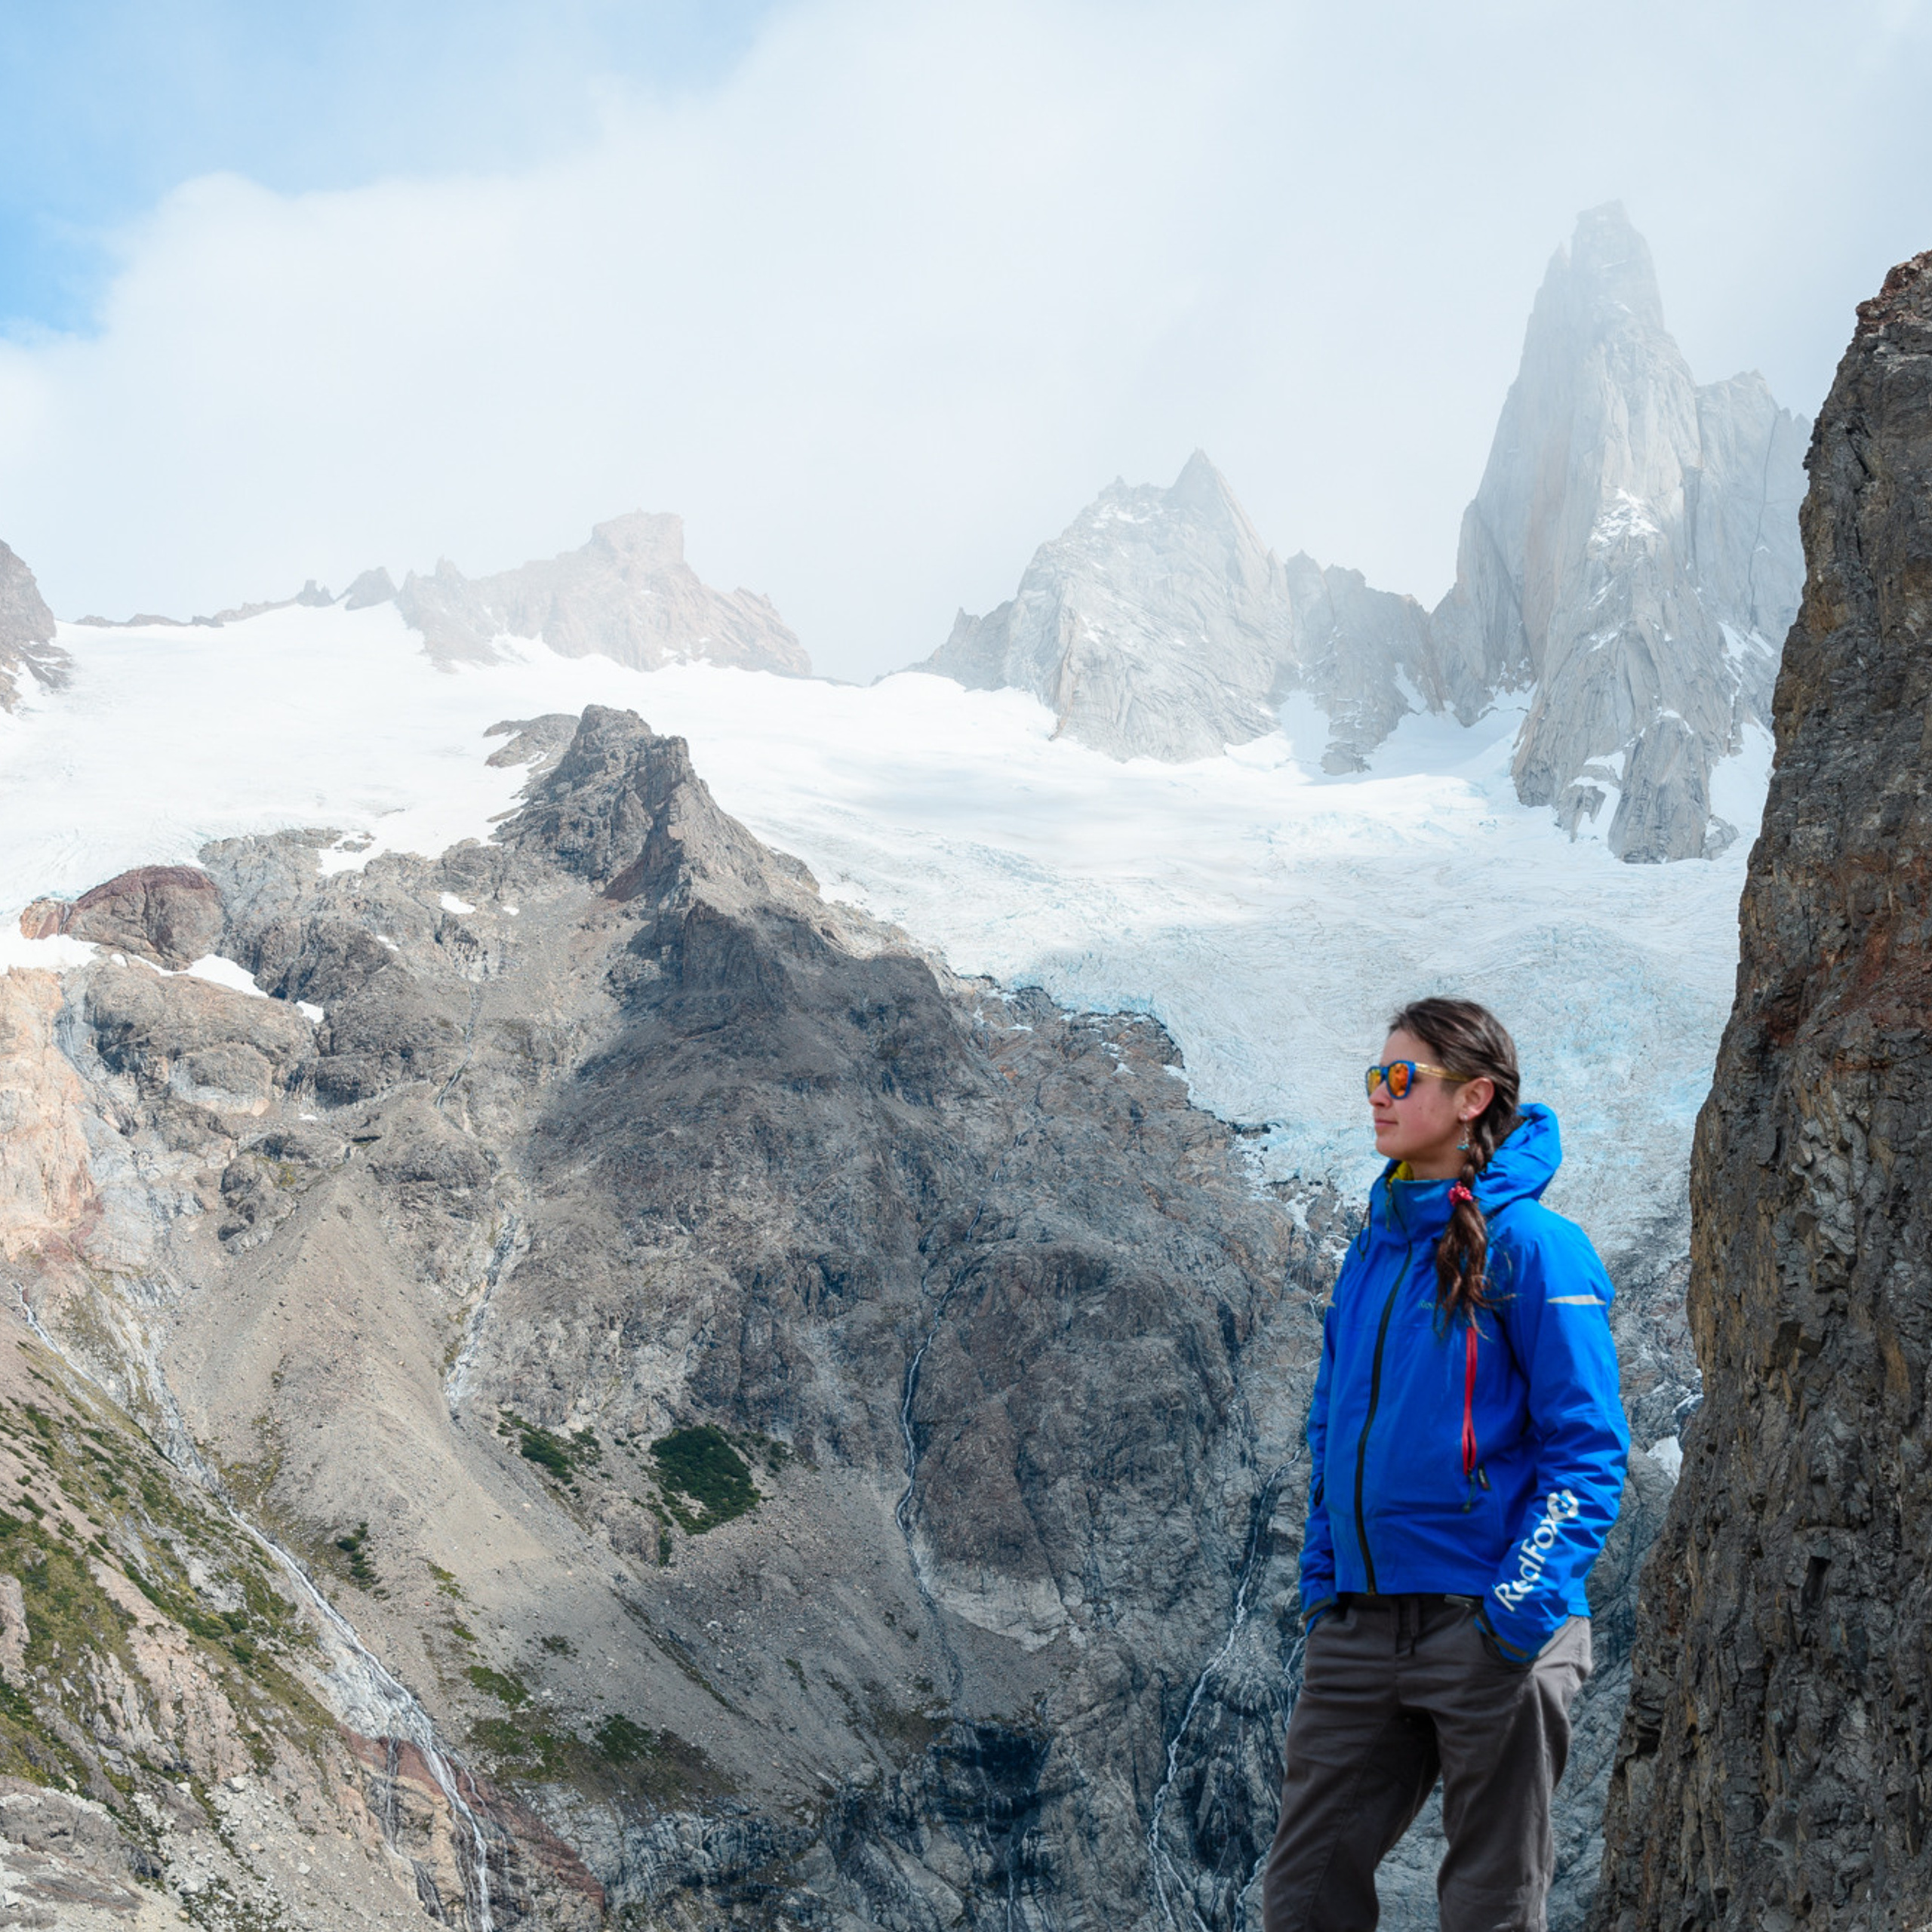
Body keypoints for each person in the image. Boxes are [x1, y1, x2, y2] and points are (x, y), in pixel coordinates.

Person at [1262, 996, 1629, 1932]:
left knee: (1489, 1909)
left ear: (1473, 1097)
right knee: (1301, 1900)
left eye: (1400, 1078)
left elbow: (1588, 1451)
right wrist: (1322, 1586)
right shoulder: (1371, 1252)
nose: (1378, 1097)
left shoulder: (1540, 1247)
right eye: (1373, 1078)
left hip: (1492, 1625)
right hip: (1360, 1624)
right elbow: (1330, 1433)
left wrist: (1514, 1617)